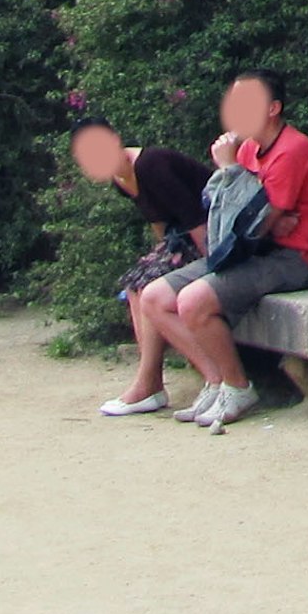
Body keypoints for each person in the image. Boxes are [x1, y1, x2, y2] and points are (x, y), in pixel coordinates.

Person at [128, 72, 308, 434]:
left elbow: (255, 224)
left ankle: (237, 387)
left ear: (273, 108)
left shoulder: (291, 150)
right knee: (155, 297)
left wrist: (231, 172)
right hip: (250, 250)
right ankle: (216, 382)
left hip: (291, 258)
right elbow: (223, 212)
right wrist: (253, 204)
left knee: (192, 301)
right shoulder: (250, 148)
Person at [70, 115, 210, 418]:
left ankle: (151, 384)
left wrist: (214, 268)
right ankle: (150, 385)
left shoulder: (151, 164)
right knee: (136, 282)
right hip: (182, 240)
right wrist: (157, 260)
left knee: (148, 285)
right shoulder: (120, 180)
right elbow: (159, 224)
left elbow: (197, 219)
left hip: (213, 234)